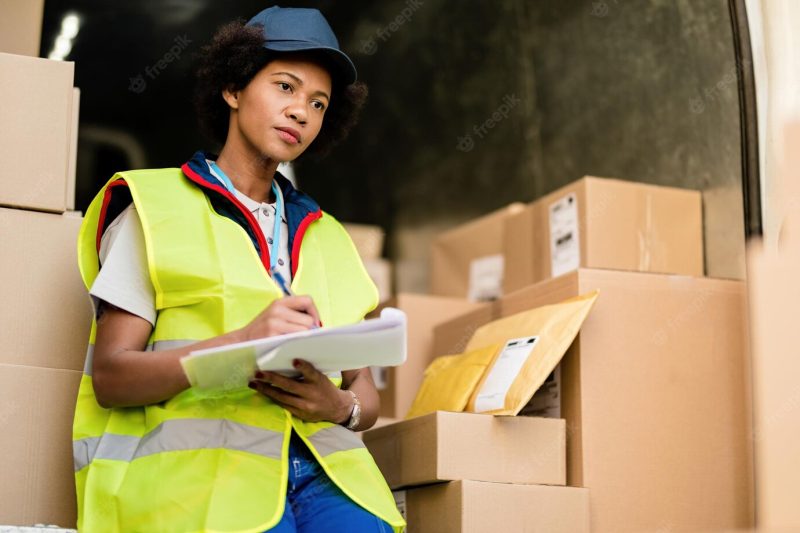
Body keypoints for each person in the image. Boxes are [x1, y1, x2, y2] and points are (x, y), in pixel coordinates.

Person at [72, 6, 405, 533]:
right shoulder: (155, 208)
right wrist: (242, 343)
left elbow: (366, 392)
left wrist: (339, 406)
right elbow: (112, 377)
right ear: (233, 87)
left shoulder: (331, 236)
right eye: (285, 87)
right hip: (203, 480)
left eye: (318, 104)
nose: (302, 112)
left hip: (324, 475)